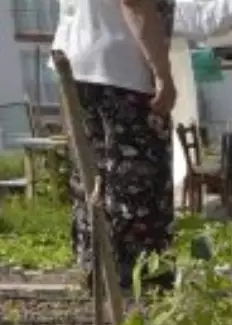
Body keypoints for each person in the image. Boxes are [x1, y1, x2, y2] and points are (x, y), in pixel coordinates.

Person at [53, 0, 176, 289]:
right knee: (138, 182)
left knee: (92, 176)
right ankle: (137, 282)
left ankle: (99, 274)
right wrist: (162, 73)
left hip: (78, 64)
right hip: (121, 71)